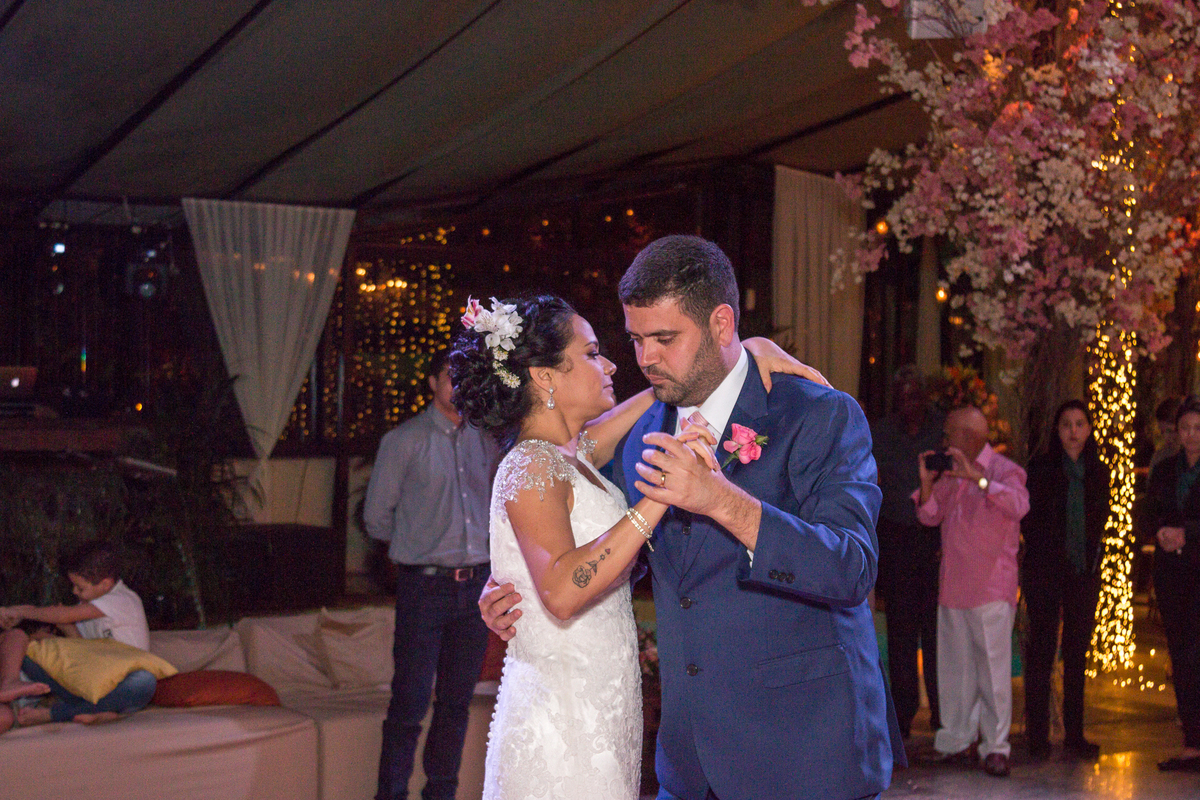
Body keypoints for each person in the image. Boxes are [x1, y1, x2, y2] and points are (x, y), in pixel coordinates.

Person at [482, 235, 903, 800]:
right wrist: (516, 589)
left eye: (664, 338)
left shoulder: (817, 414)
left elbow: (852, 569)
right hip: (687, 764)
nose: (644, 359)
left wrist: (721, 500)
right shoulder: (642, 436)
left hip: (803, 754)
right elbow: (618, 550)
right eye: (636, 339)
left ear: (722, 324)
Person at [457, 293, 819, 800]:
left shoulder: (574, 452)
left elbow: (657, 394)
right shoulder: (530, 464)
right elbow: (562, 592)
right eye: (591, 353)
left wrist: (740, 351)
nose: (610, 365)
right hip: (562, 717)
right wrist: (661, 495)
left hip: (604, 707)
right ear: (544, 376)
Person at [365, 348, 501, 800]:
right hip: (424, 585)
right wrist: (416, 545)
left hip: (477, 585)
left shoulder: (486, 439)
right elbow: (376, 519)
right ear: (432, 383)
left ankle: (440, 794)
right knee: (410, 702)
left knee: (456, 704)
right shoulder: (404, 441)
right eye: (450, 376)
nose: (459, 386)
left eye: (466, 377)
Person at [915, 406, 1029, 777]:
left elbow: (1019, 505)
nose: (944, 440)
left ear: (967, 436)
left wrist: (978, 480)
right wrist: (928, 483)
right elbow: (929, 515)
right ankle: (955, 741)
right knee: (954, 670)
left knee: (992, 673)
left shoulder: (1004, 470)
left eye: (949, 433)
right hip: (953, 584)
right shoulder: (951, 470)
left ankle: (995, 747)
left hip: (991, 586)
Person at [1021, 400, 1110, 761]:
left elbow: (1099, 519)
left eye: (1079, 424)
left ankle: (1074, 733)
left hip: (1083, 571)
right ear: (1056, 430)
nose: (1073, 432)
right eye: (1066, 425)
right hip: (1045, 570)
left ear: (1089, 429)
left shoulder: (1098, 471)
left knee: (1076, 652)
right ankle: (1037, 735)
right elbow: (1030, 520)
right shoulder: (1041, 469)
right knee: (1042, 651)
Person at [0, 541, 156, 728]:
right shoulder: (86, 606)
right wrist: (65, 628)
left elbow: (65, 614)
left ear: (105, 584)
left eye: (80, 587)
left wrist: (21, 611)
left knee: (144, 681)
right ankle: (98, 712)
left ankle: (53, 714)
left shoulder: (123, 600)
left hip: (119, 686)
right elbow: (83, 650)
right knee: (23, 651)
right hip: (88, 684)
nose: (74, 591)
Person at [871, 365, 943, 739]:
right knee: (900, 634)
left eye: (914, 395)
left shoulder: (941, 428)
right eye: (901, 396)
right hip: (896, 539)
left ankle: (944, 715)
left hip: (935, 541)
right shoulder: (882, 432)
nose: (908, 403)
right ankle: (901, 718)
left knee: (937, 632)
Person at [1146, 394, 1200, 772]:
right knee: (1180, 655)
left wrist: (1188, 533)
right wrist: (1161, 531)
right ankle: (1192, 741)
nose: (1191, 435)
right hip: (1171, 573)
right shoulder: (1166, 468)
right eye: (1186, 428)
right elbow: (1149, 510)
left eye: (1198, 428)